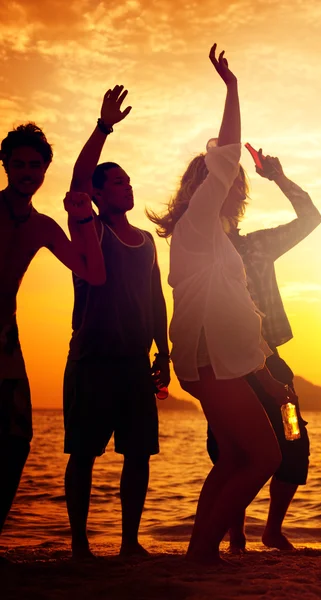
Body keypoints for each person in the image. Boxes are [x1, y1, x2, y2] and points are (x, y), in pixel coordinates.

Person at [149, 45, 294, 567]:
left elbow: (239, 312)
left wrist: (266, 376)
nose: (234, 185)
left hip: (213, 358)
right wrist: (232, 90)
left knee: (234, 455)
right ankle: (203, 553)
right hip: (207, 358)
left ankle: (197, 551)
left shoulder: (214, 237)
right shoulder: (198, 224)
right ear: (204, 185)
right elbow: (228, 153)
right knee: (265, 456)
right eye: (223, 179)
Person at [63, 85, 171, 559]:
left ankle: (129, 542)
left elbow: (155, 301)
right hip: (91, 361)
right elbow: (79, 177)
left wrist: (163, 354)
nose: (128, 187)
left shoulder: (147, 241)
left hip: (132, 365)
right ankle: (80, 544)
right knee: (83, 455)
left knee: (139, 456)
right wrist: (103, 127)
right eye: (119, 182)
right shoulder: (90, 226)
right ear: (100, 193)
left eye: (130, 181)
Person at [205, 148, 321, 552]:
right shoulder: (199, 250)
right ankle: (234, 534)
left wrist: (279, 178)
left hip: (270, 359)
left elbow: (312, 218)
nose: (232, 194)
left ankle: (272, 529)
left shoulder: (256, 246)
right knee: (231, 450)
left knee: (294, 437)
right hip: (225, 365)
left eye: (236, 186)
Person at [0, 123, 105, 561]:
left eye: (35, 165)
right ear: (4, 165)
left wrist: (82, 219)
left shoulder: (42, 226)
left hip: (6, 338)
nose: (27, 171)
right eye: (19, 163)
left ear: (45, 170)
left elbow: (94, 273)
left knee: (16, 439)